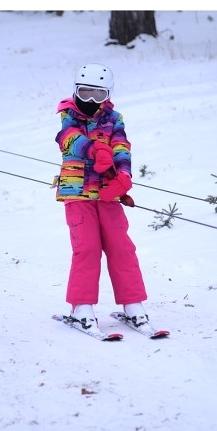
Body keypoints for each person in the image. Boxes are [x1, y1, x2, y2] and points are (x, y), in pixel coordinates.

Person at [55, 62, 148, 333]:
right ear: (75, 91)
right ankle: (81, 307)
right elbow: (67, 138)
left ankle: (133, 305)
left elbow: (121, 146)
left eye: (98, 95)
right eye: (85, 93)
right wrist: (94, 149)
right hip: (77, 194)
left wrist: (124, 176)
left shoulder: (114, 118)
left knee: (122, 247)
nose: (90, 101)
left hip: (107, 194)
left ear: (108, 94)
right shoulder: (68, 114)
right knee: (87, 248)